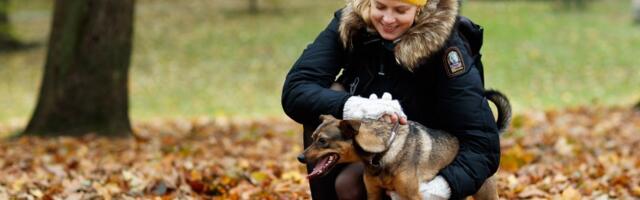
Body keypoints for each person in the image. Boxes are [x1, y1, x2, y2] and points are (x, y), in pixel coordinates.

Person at [281, 0, 500, 199]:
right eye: (380, 6)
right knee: (325, 98)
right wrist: (354, 106)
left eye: (400, 10)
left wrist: (442, 187)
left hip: (426, 151)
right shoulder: (350, 23)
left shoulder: (447, 45)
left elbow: (481, 143)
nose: (387, 19)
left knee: (350, 186)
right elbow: (297, 89)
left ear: (420, 9)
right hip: (369, 141)